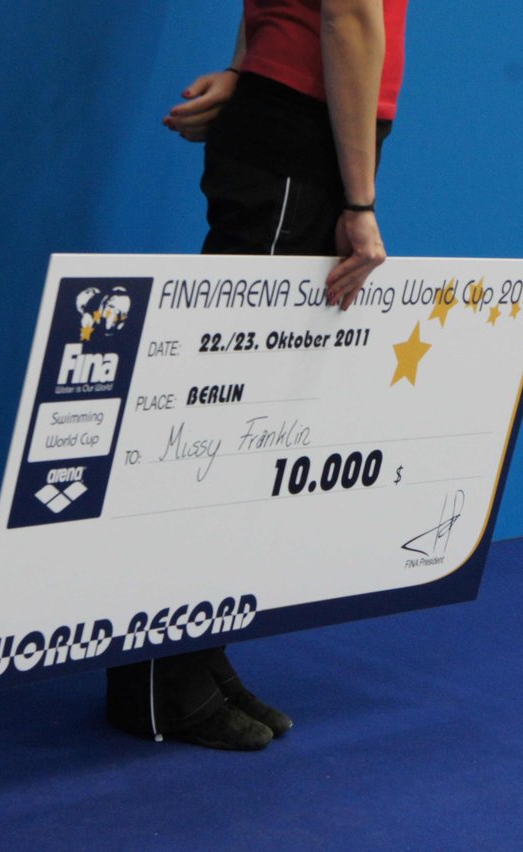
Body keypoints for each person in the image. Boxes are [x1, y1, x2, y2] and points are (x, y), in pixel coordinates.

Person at [106, 0, 409, 750]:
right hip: (300, 141)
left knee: (248, 430)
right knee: (220, 430)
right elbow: (346, 15)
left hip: (295, 129)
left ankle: (194, 655)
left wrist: (244, 70)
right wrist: (359, 200)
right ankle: (154, 683)